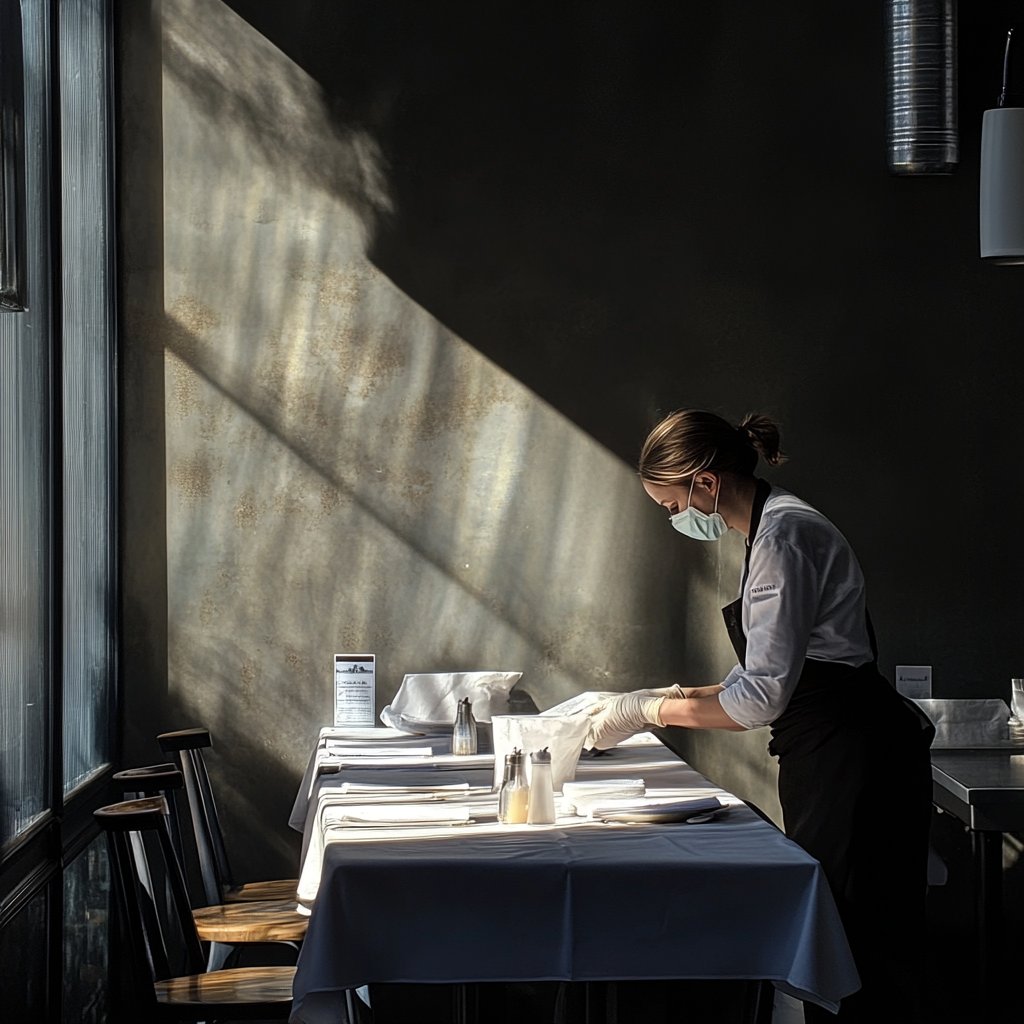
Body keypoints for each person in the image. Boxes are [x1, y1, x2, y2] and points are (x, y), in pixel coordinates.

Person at [586, 409, 934, 1023]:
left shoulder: (783, 537)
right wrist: (663, 697)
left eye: (671, 506)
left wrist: (648, 710)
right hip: (829, 744)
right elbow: (758, 679)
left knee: (861, 946)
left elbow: (759, 700)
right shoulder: (771, 528)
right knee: (854, 938)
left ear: (705, 483)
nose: (674, 518)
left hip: (852, 753)